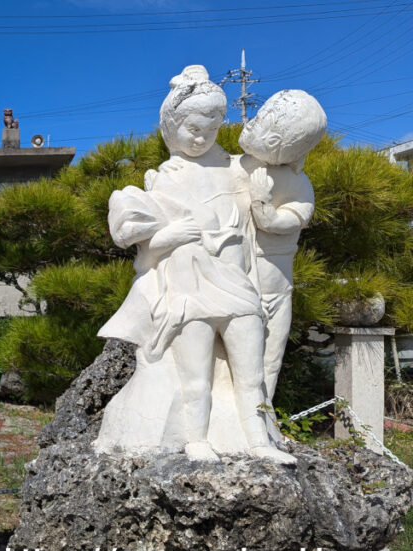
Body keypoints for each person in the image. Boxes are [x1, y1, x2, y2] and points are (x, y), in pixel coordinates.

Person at [97, 65, 294, 464]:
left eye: (210, 128)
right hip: (189, 291)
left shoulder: (235, 170)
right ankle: (196, 439)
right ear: (171, 127)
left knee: (250, 374)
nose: (201, 137)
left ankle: (258, 441)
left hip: (239, 287)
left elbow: (276, 191)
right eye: (192, 128)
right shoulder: (164, 178)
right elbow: (145, 248)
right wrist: (177, 234)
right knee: (195, 378)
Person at [238, 90, 327, 405]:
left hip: (275, 289)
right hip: (235, 281)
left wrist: (261, 199)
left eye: (274, 136)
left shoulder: (301, 185)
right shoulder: (234, 166)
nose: (253, 128)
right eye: (260, 119)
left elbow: (277, 223)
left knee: (269, 360)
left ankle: (262, 417)